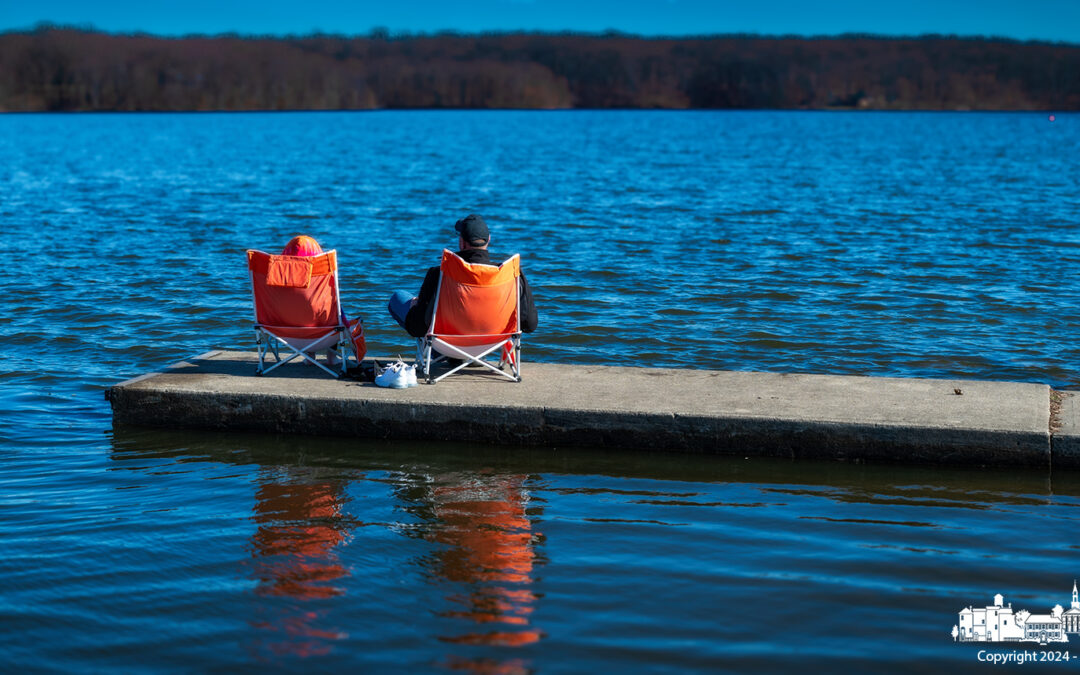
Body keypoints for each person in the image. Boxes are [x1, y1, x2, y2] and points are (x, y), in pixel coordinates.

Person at [388, 214, 538, 343]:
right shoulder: (510, 272)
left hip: (448, 343)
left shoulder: (440, 273)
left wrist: (416, 305)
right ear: (489, 240)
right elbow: (530, 324)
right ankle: (466, 357)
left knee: (398, 297)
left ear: (462, 242)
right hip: (492, 343)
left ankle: (449, 355)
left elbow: (417, 328)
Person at [281, 235, 340, 367]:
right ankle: (332, 357)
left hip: (282, 331)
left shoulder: (277, 277)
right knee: (334, 312)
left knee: (299, 312)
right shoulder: (322, 278)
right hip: (322, 333)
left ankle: (309, 357)